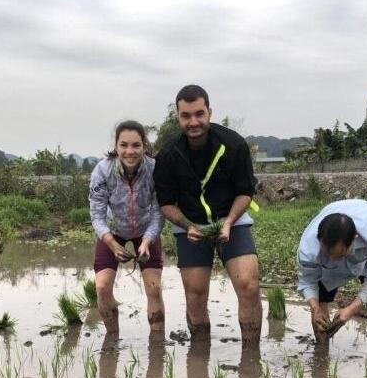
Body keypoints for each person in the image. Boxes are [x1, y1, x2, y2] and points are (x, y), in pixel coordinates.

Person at [153, 84, 262, 344]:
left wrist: (229, 223)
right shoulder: (168, 155)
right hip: (191, 225)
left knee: (248, 284)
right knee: (195, 293)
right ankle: (199, 359)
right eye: (186, 116)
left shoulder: (233, 144)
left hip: (231, 220)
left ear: (209, 112)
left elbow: (245, 192)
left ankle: (251, 358)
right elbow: (166, 203)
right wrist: (188, 225)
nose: (194, 122)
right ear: (178, 117)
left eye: (199, 114)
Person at [89, 120, 164, 333]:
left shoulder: (155, 169)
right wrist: (111, 243)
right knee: (102, 287)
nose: (130, 151)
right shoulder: (102, 171)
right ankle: (112, 338)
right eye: (124, 145)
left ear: (144, 146)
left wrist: (148, 240)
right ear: (116, 146)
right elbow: (97, 216)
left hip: (145, 229)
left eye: (136, 145)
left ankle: (157, 345)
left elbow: (159, 212)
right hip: (113, 231)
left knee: (154, 288)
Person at [297, 199, 367, 340]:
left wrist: (351, 310)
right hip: (328, 248)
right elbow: (308, 281)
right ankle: (321, 354)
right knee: (320, 298)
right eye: (328, 254)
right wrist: (315, 308)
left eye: (339, 254)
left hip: (366, 248)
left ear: (354, 238)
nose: (333, 259)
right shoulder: (309, 248)